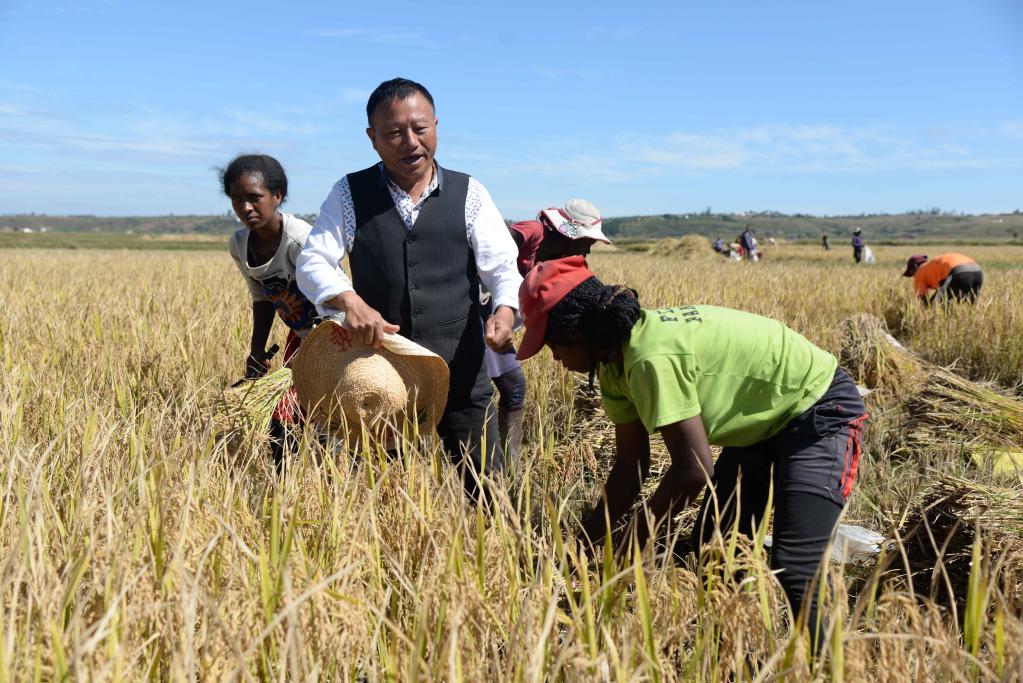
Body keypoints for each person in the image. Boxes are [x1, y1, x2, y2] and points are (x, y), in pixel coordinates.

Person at [516, 256, 869, 645]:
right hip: (758, 423)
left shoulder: (649, 357)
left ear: (576, 333)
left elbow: (693, 470)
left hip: (817, 409)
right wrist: (575, 552)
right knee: (716, 547)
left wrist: (626, 550)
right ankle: (736, 649)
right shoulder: (614, 367)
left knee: (797, 564)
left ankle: (835, 665)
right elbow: (629, 471)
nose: (553, 357)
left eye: (551, 345)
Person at [296, 78, 521, 498]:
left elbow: (504, 268)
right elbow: (312, 261)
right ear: (372, 139)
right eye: (394, 133)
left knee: (490, 497)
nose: (410, 142)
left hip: (461, 372)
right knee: (383, 499)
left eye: (420, 129)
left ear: (436, 125)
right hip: (382, 380)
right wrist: (349, 301)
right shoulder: (349, 193)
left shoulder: (469, 193)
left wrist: (505, 311)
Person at [481, 199, 613, 471]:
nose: (588, 248)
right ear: (568, 233)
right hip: (475, 315)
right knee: (487, 389)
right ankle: (493, 466)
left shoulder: (562, 263)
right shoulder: (532, 232)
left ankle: (508, 465)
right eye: (587, 240)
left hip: (496, 324)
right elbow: (489, 247)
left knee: (512, 389)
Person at [222, 153, 318, 468]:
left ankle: (323, 479)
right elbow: (261, 296)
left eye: (254, 198)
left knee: (318, 412)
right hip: (299, 335)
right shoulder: (240, 244)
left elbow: (335, 296)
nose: (245, 207)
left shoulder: (299, 240)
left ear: (277, 196)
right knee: (282, 415)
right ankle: (284, 483)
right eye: (237, 199)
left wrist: (313, 356)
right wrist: (256, 350)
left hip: (333, 334)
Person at [902, 253, 983, 306]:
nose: (913, 276)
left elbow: (922, 300)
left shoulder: (920, 272)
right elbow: (942, 289)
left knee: (938, 306)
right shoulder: (932, 265)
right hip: (977, 271)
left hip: (958, 272)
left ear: (915, 267)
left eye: (911, 273)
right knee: (969, 306)